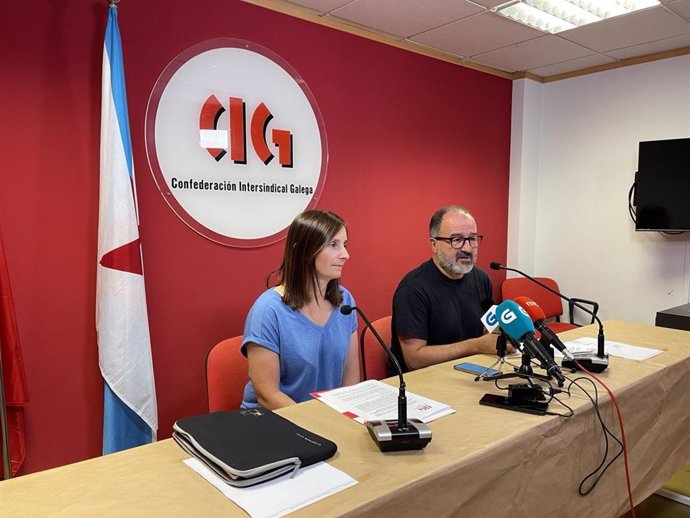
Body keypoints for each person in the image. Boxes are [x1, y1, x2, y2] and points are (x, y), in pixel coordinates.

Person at [240, 210, 360, 409]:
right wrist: (316, 424)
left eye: (344, 245)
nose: (345, 255)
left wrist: (345, 418)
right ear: (303, 250)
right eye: (333, 245)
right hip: (276, 421)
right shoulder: (268, 310)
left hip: (327, 416)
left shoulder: (345, 300)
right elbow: (268, 396)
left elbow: (350, 378)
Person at [390, 205, 499, 372]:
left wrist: (502, 337)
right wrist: (476, 346)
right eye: (456, 240)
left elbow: (488, 329)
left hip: (470, 374)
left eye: (472, 239)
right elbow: (414, 359)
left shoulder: (481, 279)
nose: (467, 248)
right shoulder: (412, 289)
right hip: (423, 383)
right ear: (434, 245)